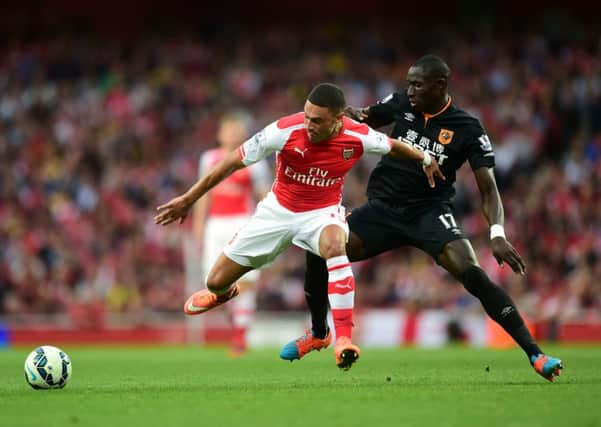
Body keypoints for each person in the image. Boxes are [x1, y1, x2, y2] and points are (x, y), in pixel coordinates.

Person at [279, 56, 563, 382]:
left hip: (429, 214)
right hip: (382, 211)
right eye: (408, 83)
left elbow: (488, 187)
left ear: (440, 85)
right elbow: (365, 117)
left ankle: (536, 354)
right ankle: (319, 333)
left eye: (417, 84)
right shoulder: (402, 103)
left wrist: (497, 233)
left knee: (474, 276)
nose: (409, 90)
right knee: (319, 247)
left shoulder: (468, 128)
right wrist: (335, 112)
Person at [155, 82, 445, 370]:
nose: (308, 124)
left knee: (335, 245)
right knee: (215, 281)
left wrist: (426, 157)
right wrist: (188, 199)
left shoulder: (358, 136)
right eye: (307, 116)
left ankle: (342, 339)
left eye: (317, 120)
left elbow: (393, 146)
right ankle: (225, 292)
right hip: (277, 211)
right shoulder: (283, 129)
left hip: (321, 213)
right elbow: (232, 161)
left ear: (337, 119)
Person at [191, 112, 271, 356]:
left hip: (242, 223)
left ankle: (239, 337)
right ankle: (237, 325)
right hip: (216, 225)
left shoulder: (255, 160)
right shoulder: (209, 158)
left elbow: (264, 195)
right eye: (228, 130)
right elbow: (204, 193)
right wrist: (198, 226)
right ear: (220, 134)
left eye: (237, 130)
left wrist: (267, 226)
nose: (233, 134)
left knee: (246, 281)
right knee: (215, 285)